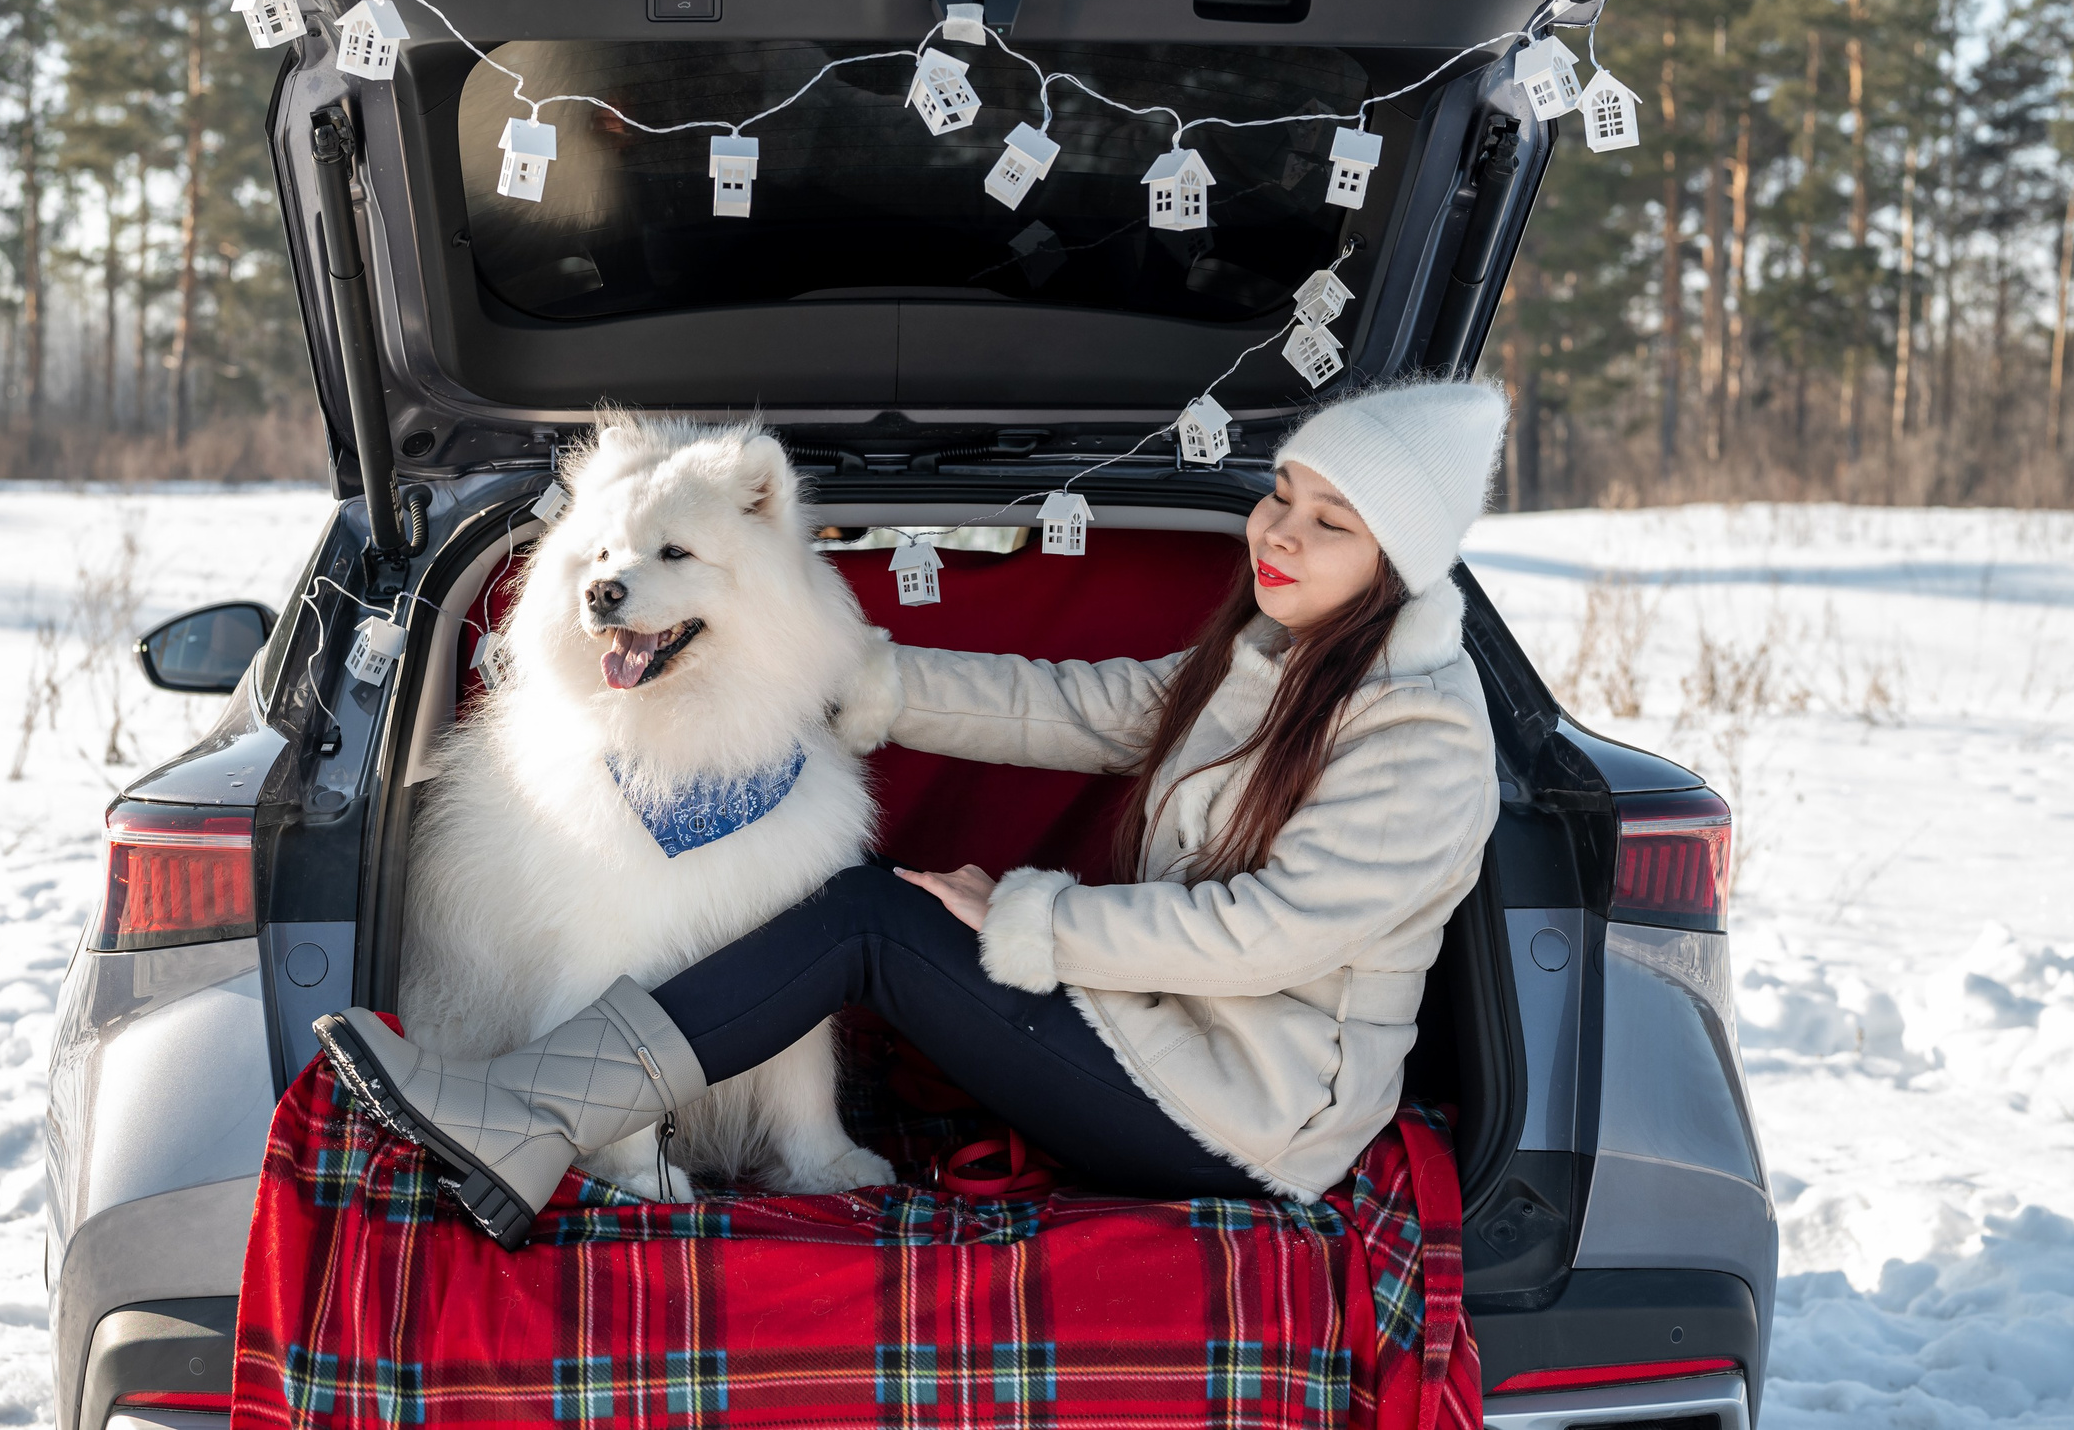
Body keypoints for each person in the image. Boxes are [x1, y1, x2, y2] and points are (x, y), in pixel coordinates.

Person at [318, 379, 1510, 1248]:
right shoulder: (1273, 656)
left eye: (1329, 522)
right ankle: (544, 1112)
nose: (1277, 532)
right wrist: (850, 676)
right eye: (1281, 494)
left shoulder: (1420, 734)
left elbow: (1273, 932)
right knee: (868, 917)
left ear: (1401, 561)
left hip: (1241, 1118)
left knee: (867, 922)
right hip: (1157, 1036)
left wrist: (1031, 916)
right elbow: (1080, 707)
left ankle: (525, 1113)